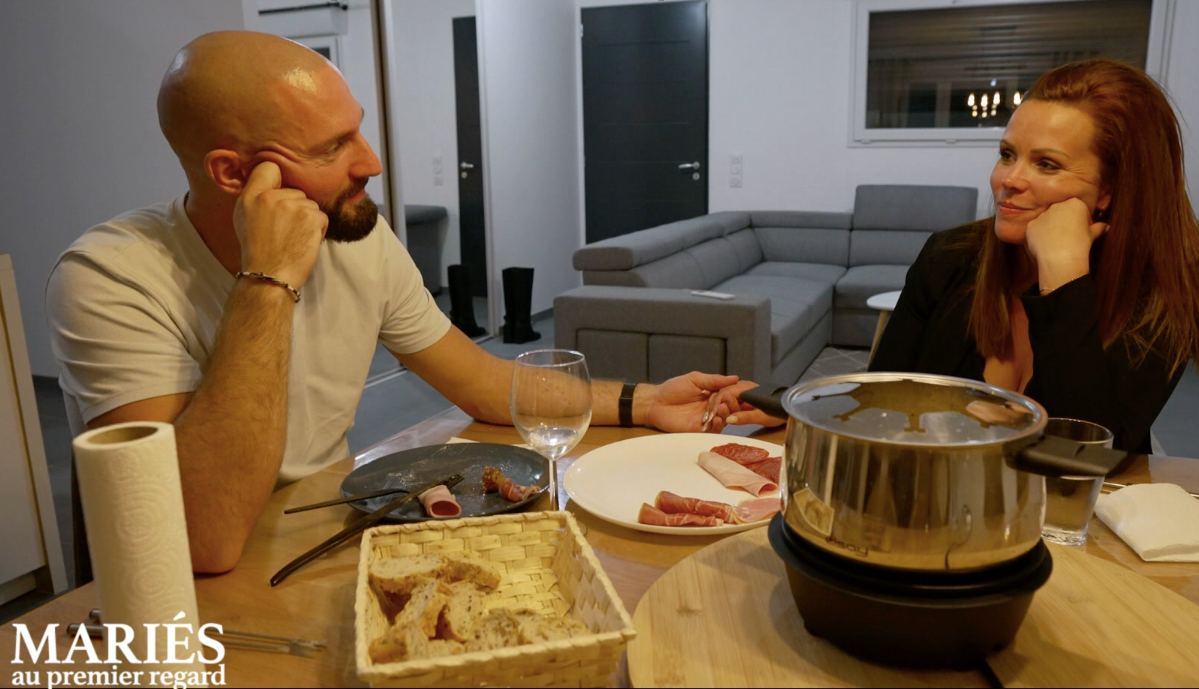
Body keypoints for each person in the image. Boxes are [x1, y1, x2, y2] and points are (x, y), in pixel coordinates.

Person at [45, 31, 763, 574]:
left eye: (357, 126)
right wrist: (268, 279)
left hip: (328, 531)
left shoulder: (361, 237)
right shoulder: (111, 277)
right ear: (235, 173)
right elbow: (201, 535)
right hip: (206, 582)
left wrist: (645, 401)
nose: (372, 160)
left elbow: (482, 381)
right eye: (334, 146)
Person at [870, 58, 1199, 455]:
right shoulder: (949, 257)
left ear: (1112, 189)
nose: (1009, 180)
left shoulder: (1163, 294)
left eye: (1046, 164)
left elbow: (1085, 458)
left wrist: (1063, 276)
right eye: (1008, 154)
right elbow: (878, 405)